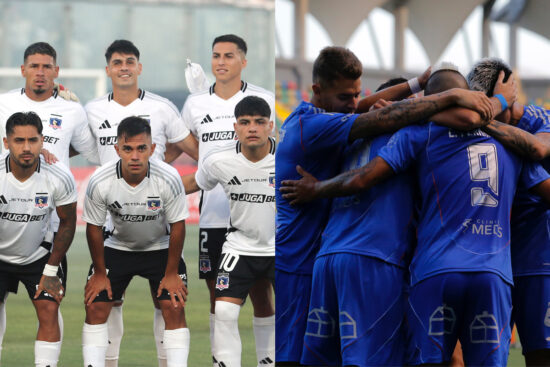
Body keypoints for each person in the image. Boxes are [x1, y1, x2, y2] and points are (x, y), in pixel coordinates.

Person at [280, 67, 550, 366]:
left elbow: (362, 176)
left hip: (405, 266)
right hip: (486, 271)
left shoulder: (404, 134)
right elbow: (537, 156)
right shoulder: (511, 145)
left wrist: (316, 188)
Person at [84, 39, 197, 367]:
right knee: (103, 301)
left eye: (129, 61)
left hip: (157, 228)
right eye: (117, 62)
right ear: (108, 70)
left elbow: (196, 153)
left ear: (139, 67)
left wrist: (169, 186)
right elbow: (71, 146)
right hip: (113, 228)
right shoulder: (91, 110)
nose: (123, 67)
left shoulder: (162, 108)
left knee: (169, 301)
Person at [178, 34, 275, 366]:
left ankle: (267, 359)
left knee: (263, 294)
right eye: (216, 55)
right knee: (218, 297)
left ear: (243, 61)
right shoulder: (195, 104)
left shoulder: (264, 99)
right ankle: (221, 359)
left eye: (229, 56)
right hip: (213, 215)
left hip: (258, 218)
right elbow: (184, 146)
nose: (221, 62)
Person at [0, 42, 97, 354]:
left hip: (50, 221)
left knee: (48, 302)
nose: (40, 72)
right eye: (34, 66)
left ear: (56, 71)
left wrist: (48, 157)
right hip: (8, 206)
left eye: (46, 67)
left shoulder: (72, 108)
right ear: (23, 70)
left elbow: (89, 150)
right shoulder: (3, 103)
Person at [81, 116, 190, 367]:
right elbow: (94, 228)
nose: (135, 156)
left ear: (152, 149)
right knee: (95, 305)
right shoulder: (100, 180)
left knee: (173, 305)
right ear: (117, 149)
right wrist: (99, 273)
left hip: (161, 247)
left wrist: (172, 273)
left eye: (142, 148)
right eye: (128, 149)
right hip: (118, 246)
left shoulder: (169, 177)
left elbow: (178, 226)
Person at [467, 58, 550, 366]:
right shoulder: (473, 127)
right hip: (488, 260)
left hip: (537, 260)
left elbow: (538, 149)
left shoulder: (542, 119)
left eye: (489, 104)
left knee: (541, 355)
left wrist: (483, 119)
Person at [0, 111, 77, 367]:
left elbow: (67, 222)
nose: (26, 147)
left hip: (39, 255)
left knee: (49, 306)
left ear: (42, 141)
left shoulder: (59, 175)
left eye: (32, 140)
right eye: (18, 140)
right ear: (6, 143)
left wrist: (52, 269)